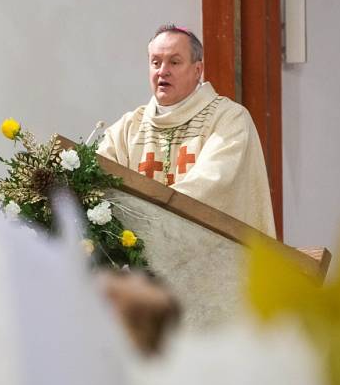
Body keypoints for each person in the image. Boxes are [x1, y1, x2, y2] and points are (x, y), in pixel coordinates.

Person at [97, 24, 276, 237]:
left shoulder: (228, 119)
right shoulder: (128, 128)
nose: (163, 71)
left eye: (174, 62)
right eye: (155, 63)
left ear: (197, 70)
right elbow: (98, 178)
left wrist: (146, 216)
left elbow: (210, 185)